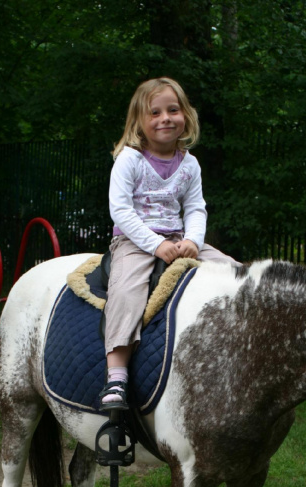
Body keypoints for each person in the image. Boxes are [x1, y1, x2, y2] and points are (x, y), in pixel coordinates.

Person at [100, 76, 241, 409]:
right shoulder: (130, 160)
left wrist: (193, 240)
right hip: (134, 242)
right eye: (155, 112)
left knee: (235, 271)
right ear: (139, 121)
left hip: (178, 238)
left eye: (172, 110)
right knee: (126, 290)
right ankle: (117, 376)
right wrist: (154, 245)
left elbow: (194, 208)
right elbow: (120, 211)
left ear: (185, 116)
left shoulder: (189, 163)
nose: (165, 118)